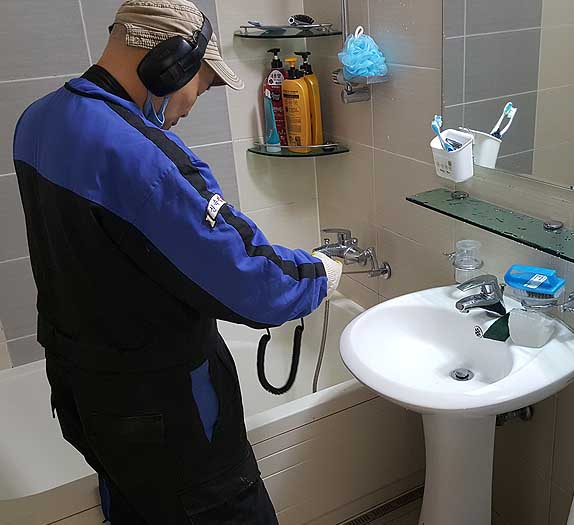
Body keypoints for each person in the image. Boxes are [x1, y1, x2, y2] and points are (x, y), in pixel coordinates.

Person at [12, 0, 342, 523]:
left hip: (84, 394)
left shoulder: (37, 121)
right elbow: (254, 284)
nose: (192, 104)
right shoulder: (141, 157)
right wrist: (319, 273)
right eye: (203, 85)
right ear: (170, 65)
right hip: (165, 416)